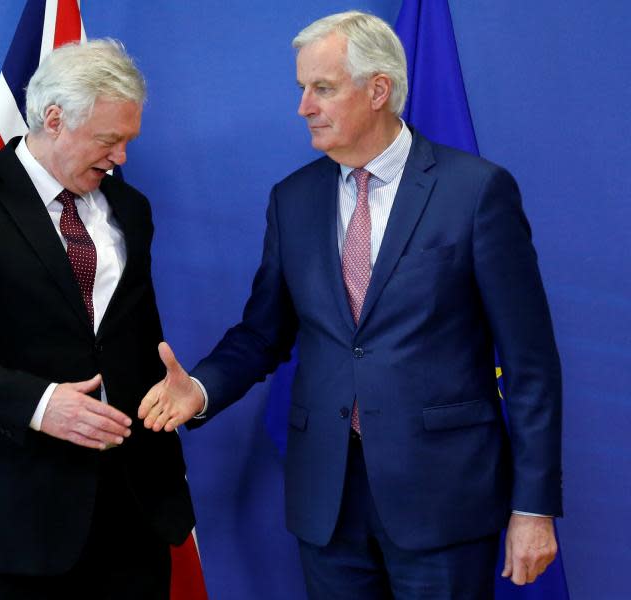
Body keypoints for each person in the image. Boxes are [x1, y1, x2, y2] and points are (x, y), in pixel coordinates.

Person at [138, 11, 561, 599]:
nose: (304, 106)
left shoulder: (476, 192)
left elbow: (530, 363)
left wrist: (533, 507)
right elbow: (264, 333)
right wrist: (202, 389)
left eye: (323, 88)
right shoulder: (293, 199)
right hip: (327, 500)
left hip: (442, 499)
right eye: (302, 89)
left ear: (378, 90)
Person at [0, 39, 195, 600]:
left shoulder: (132, 209)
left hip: (133, 515)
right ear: (54, 119)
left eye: (129, 140)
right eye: (109, 139)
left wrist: (176, 394)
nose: (121, 157)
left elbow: (127, 338)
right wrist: (39, 404)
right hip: (11, 519)